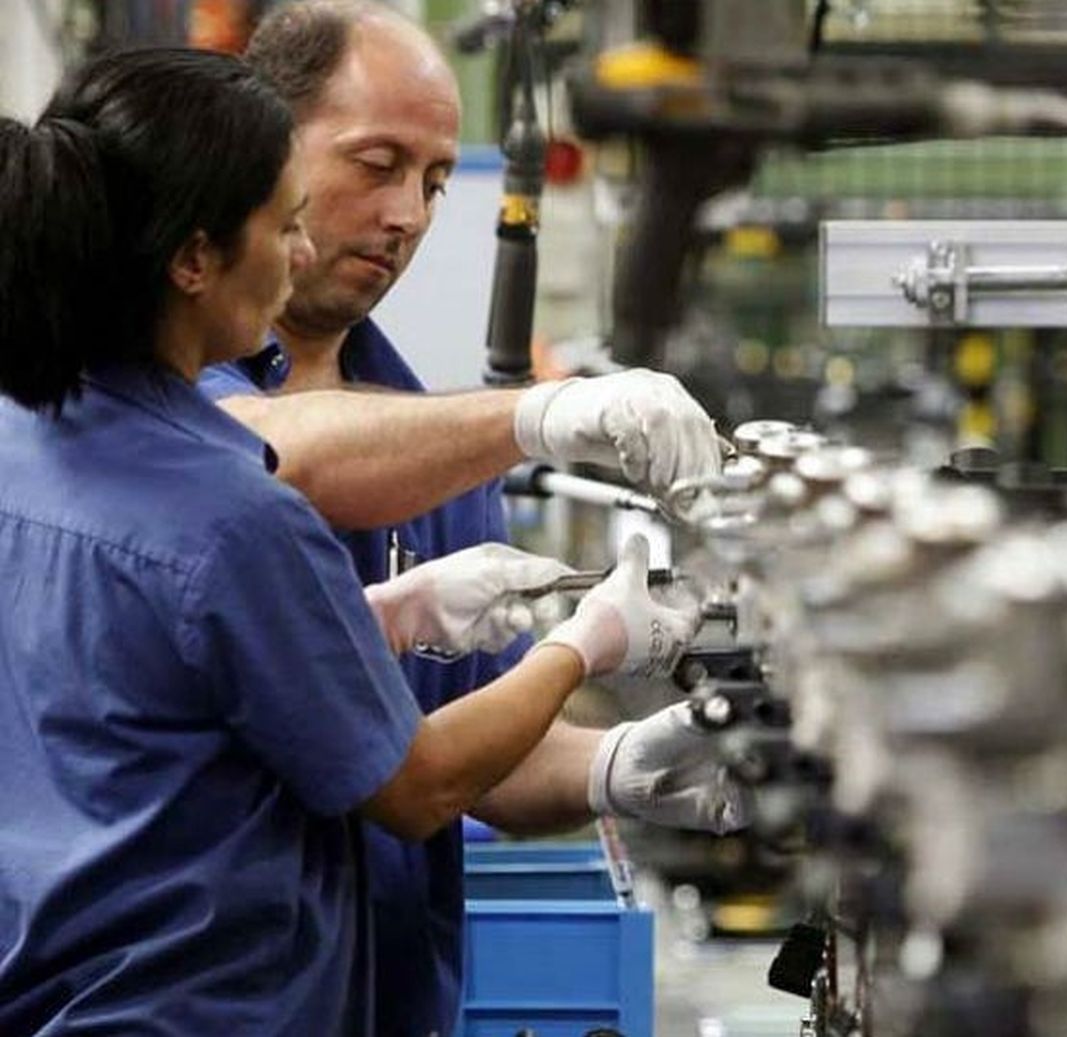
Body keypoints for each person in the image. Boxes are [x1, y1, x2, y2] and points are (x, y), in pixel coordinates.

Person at [0, 47, 688, 1035]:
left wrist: (381, 622)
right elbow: (417, 785)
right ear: (193, 260)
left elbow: (139, 692)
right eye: (285, 225)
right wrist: (589, 640)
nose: (299, 254)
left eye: (437, 182)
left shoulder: (24, 443)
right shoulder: (232, 512)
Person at [203, 4, 750, 1034]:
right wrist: (536, 414)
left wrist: (622, 763)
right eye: (377, 164)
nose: (407, 213)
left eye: (436, 181)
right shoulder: (159, 400)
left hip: (385, 1001)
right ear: (262, 150)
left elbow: (474, 754)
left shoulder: (445, 456)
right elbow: (271, 454)